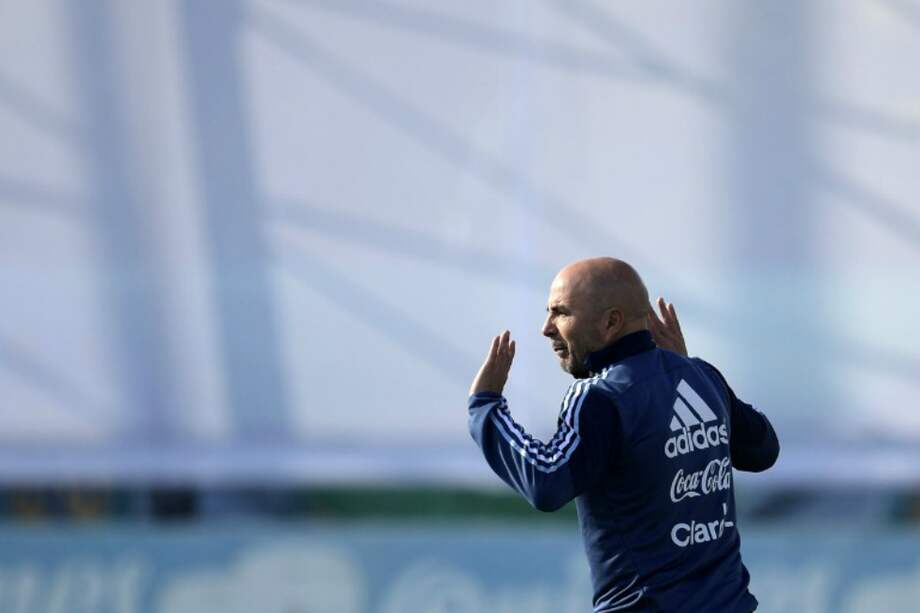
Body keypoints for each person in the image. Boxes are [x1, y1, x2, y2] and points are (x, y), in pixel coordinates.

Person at [468, 257, 779, 612]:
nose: (546, 328)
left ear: (611, 322)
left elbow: (547, 481)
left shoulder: (600, 397)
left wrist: (485, 409)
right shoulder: (700, 375)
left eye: (560, 313)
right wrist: (683, 371)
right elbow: (763, 449)